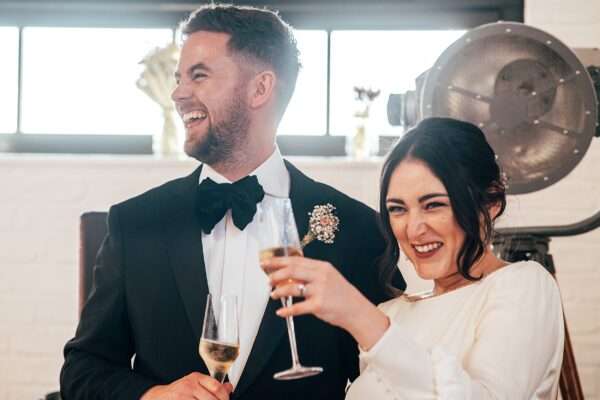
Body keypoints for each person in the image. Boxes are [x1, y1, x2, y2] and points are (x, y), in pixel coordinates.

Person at [60, 4, 403, 400]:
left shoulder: (357, 228)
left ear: (260, 88)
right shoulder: (134, 223)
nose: (178, 93)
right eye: (179, 78)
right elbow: (82, 371)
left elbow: (393, 369)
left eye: (199, 75)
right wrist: (152, 396)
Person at [266, 117, 565, 399]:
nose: (413, 229)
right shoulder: (393, 313)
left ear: (491, 203)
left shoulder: (524, 285)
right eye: (398, 209)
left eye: (433, 205)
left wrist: (360, 316)